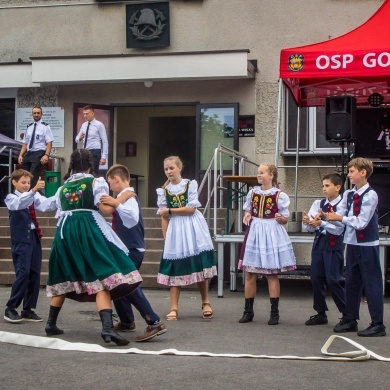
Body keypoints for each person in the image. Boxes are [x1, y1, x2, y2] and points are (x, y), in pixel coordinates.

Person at [44, 149, 142, 346]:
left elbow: (49, 206)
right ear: (90, 164)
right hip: (87, 229)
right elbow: (106, 208)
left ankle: (50, 323)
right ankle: (107, 329)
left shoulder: (63, 187)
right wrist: (122, 198)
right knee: (103, 274)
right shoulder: (95, 182)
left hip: (64, 232)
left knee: (64, 275)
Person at [100, 164, 167, 342]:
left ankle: (154, 321)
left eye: (110, 183)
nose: (110, 187)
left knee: (127, 283)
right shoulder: (124, 197)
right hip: (127, 247)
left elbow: (132, 218)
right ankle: (127, 320)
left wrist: (117, 203)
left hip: (131, 249)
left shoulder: (129, 198)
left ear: (116, 179)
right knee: (118, 284)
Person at [326, 157, 386, 337]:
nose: (349, 174)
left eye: (352, 171)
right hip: (351, 244)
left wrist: (339, 218)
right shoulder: (348, 194)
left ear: (363, 173)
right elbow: (340, 218)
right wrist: (323, 220)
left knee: (372, 283)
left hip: (367, 245)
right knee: (352, 283)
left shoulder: (371, 195)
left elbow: (361, 223)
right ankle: (350, 319)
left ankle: (378, 324)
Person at [156, 156, 217, 321]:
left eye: (171, 168)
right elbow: (163, 217)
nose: (169, 171)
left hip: (193, 228)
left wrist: (169, 210)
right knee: (175, 267)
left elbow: (190, 209)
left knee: (199, 265)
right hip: (176, 230)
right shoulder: (163, 192)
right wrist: (166, 238)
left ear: (179, 168)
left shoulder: (190, 184)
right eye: (166, 169)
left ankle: (205, 302)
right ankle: (174, 308)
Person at [237, 163, 296, 325]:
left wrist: (281, 219)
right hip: (256, 231)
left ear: (271, 175)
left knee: (271, 274)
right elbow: (248, 209)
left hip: (271, 232)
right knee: (250, 273)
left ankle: (274, 313)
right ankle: (248, 311)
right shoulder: (253, 193)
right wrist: (247, 215)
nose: (259, 175)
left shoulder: (279, 195)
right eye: (258, 173)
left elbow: (285, 219)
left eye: (262, 173)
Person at [4, 169, 57, 323]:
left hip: (34, 237)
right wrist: (33, 190)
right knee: (23, 272)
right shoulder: (11, 197)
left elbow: (47, 205)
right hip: (21, 239)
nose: (26, 186)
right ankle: (10, 308)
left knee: (34, 273)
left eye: (28, 183)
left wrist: (61, 194)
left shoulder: (33, 196)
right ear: (14, 182)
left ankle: (28, 309)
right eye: (23, 183)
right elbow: (19, 204)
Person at [302, 173, 346, 327]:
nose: (324, 189)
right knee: (316, 277)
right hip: (320, 242)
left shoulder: (342, 205)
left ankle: (347, 314)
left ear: (338, 187)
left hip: (334, 243)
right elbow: (309, 227)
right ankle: (320, 312)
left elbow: (339, 229)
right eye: (323, 186)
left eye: (327, 186)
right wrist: (308, 222)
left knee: (333, 279)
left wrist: (321, 223)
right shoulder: (318, 203)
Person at [18, 106, 54, 189]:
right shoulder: (29, 127)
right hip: (29, 153)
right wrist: (20, 155)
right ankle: (23, 193)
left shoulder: (45, 127)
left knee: (33, 175)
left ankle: (31, 194)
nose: (36, 114)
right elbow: (25, 143)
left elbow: (49, 142)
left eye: (38, 113)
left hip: (39, 152)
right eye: (34, 113)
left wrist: (46, 155)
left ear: (42, 114)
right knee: (23, 174)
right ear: (32, 114)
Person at [75, 105, 108, 176]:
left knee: (93, 171)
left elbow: (104, 141)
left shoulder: (99, 125)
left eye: (87, 114)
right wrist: (80, 138)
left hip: (95, 150)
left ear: (92, 113)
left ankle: (93, 186)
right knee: (84, 171)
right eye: (84, 114)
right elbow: (77, 140)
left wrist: (104, 157)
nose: (85, 116)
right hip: (85, 151)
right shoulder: (84, 125)